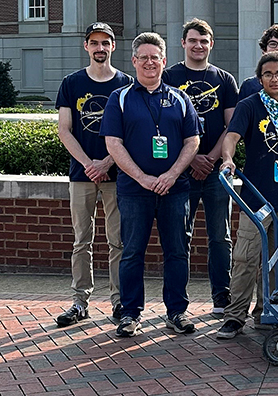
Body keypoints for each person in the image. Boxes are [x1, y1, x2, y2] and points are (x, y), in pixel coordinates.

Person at [101, 32, 202, 338]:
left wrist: (171, 174)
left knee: (177, 252)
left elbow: (193, 141)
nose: (149, 63)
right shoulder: (119, 99)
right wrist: (142, 177)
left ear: (164, 61)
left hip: (175, 189)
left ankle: (177, 312)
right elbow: (113, 144)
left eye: (154, 57)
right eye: (143, 57)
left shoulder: (180, 99)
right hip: (134, 191)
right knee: (132, 252)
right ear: (133, 61)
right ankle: (130, 314)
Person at [216, 51, 278, 339]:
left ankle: (265, 312)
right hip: (255, 197)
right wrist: (228, 159)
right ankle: (234, 316)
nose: (274, 78)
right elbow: (231, 137)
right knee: (245, 258)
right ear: (260, 79)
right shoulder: (249, 106)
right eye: (267, 74)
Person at [53, 21, 131, 327]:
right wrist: (89, 163)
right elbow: (64, 130)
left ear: (113, 46)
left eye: (105, 42)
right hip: (81, 174)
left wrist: (106, 163)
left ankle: (119, 301)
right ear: (86, 46)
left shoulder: (125, 84)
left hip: (116, 175)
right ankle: (79, 302)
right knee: (81, 240)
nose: (100, 48)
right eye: (94, 42)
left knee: (118, 242)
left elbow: (130, 132)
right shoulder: (71, 83)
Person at [162, 18, 239, 317]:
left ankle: (221, 297)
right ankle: (178, 302)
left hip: (217, 172)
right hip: (182, 172)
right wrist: (192, 158)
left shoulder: (224, 79)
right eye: (193, 40)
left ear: (211, 44)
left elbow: (232, 125)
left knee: (220, 237)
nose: (198, 46)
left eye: (204, 41)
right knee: (180, 236)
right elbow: (165, 126)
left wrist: (210, 159)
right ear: (183, 43)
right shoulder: (168, 76)